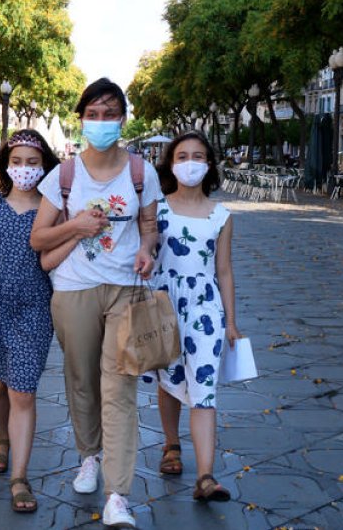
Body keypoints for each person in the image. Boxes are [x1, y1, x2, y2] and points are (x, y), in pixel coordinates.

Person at [29, 78, 160, 528]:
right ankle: (88, 456)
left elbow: (149, 225)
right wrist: (78, 226)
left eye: (110, 113)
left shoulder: (142, 171)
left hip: (125, 290)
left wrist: (147, 249)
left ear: (124, 118)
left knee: (119, 389)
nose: (101, 122)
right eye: (93, 114)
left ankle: (118, 493)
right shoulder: (63, 175)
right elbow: (38, 238)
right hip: (73, 290)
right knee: (82, 380)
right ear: (81, 118)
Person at [0, 129, 60, 514]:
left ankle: (20, 476)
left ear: (45, 167)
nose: (24, 169)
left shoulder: (52, 211)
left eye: (32, 163)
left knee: (23, 391)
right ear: (5, 165)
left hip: (34, 310)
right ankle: (0, 438)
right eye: (16, 162)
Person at [143, 132, 239, 503]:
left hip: (205, 308)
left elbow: (225, 270)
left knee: (204, 386)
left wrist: (230, 321)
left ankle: (206, 476)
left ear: (209, 164)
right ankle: (171, 445)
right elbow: (145, 250)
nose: (190, 162)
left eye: (198, 155)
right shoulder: (156, 209)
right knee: (169, 378)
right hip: (163, 302)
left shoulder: (222, 215)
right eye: (182, 155)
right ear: (171, 163)